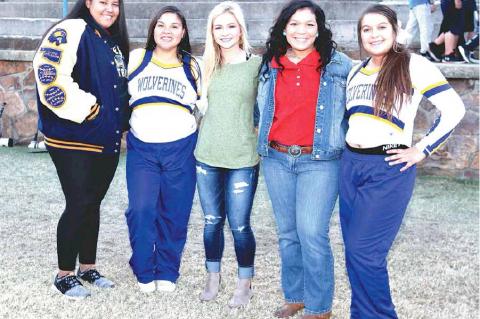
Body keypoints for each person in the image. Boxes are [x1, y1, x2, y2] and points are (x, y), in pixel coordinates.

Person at [341, 4, 465, 318]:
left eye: (381, 27)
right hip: (351, 166)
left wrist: (421, 149)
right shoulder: (357, 69)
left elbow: (454, 109)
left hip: (388, 168)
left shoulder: (412, 64)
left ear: (396, 31)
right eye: (366, 29)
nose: (373, 34)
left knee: (365, 252)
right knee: (354, 253)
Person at [256, 1, 352, 318]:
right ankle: (295, 296)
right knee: (287, 233)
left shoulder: (339, 65)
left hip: (320, 161)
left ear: (319, 28)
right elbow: (261, 110)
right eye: (294, 24)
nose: (302, 31)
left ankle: (320, 305)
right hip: (277, 158)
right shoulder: (269, 65)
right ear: (284, 28)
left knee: (311, 232)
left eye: (309, 24)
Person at [32, 0, 130, 299]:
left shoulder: (111, 41)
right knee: (79, 202)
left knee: (93, 203)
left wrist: (119, 121)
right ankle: (64, 275)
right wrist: (92, 111)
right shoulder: (72, 29)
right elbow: (48, 72)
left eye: (115, 4)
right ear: (87, 3)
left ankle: (87, 267)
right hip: (73, 136)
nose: (110, 9)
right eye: (103, 2)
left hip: (105, 137)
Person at [125, 6, 201, 293]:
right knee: (141, 209)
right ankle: (143, 267)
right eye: (161, 25)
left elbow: (204, 105)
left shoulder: (193, 65)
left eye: (174, 26)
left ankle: (168, 269)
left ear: (183, 32)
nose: (167, 31)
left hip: (180, 149)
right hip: (142, 149)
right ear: (153, 30)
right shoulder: (136, 59)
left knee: (175, 211)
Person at [194, 1, 261, 308]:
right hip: (207, 155)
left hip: (243, 159)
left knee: (239, 224)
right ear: (212, 31)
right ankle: (212, 276)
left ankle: (244, 283)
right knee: (211, 221)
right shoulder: (204, 65)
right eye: (218, 27)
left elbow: (266, 109)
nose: (224, 32)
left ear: (241, 30)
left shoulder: (256, 65)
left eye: (230, 26)